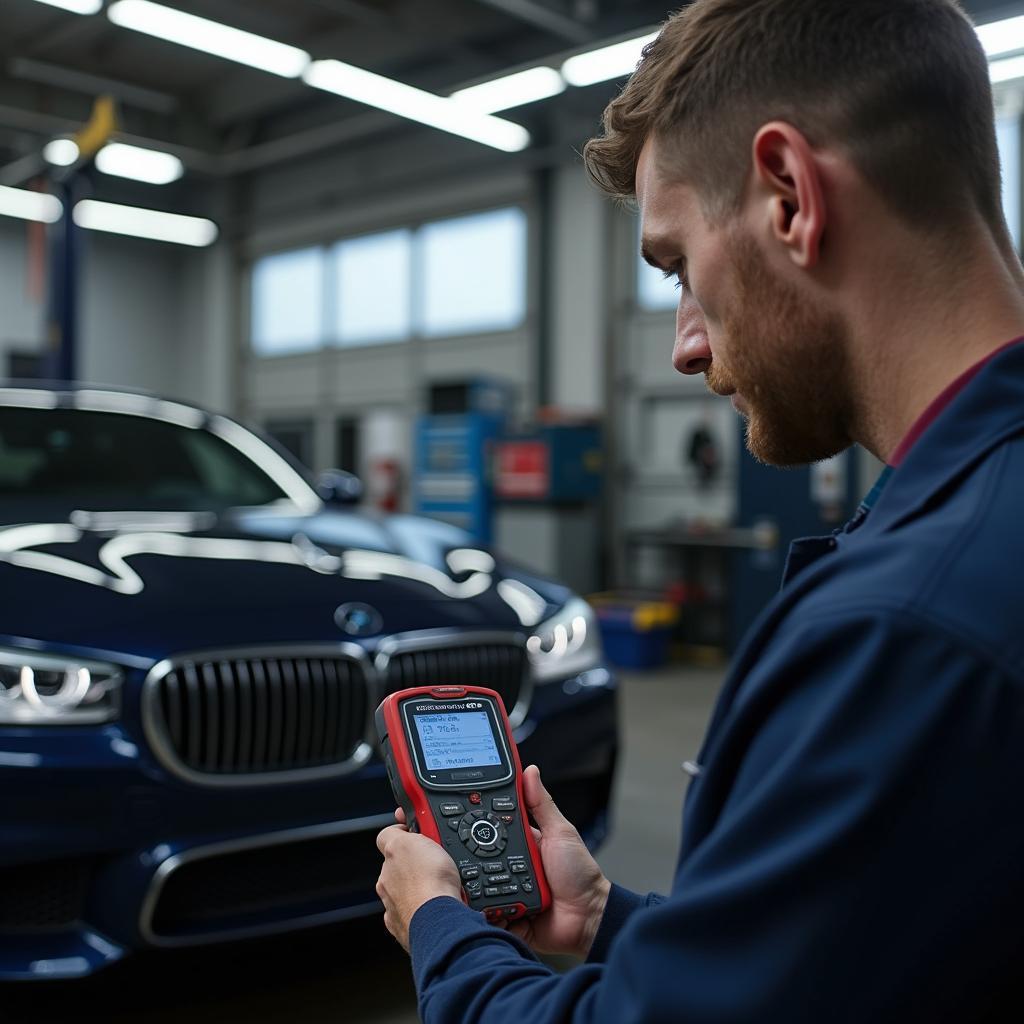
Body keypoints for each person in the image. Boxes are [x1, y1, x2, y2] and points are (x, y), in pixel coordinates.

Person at [376, 0, 1024, 1019]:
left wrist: (444, 933)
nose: (685, 344)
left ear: (789, 197)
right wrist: (610, 924)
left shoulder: (902, 629)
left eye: (678, 267)